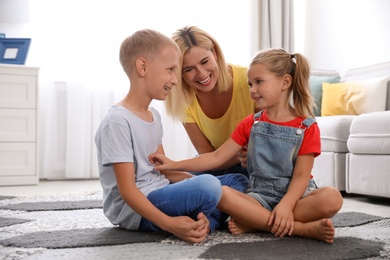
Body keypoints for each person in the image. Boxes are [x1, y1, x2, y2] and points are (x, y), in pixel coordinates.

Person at [149, 48, 343, 244]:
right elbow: (216, 158)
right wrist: (174, 164)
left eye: (259, 82)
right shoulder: (251, 123)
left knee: (332, 198)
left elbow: (302, 176)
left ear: (285, 82)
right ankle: (300, 228)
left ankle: (256, 220)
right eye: (250, 84)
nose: (252, 90)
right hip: (258, 196)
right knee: (220, 191)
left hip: (297, 196)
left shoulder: (307, 126)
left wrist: (286, 204)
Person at [94, 29, 248, 244]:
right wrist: (170, 224)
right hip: (136, 208)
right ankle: (195, 220)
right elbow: (128, 191)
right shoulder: (118, 121)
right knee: (210, 188)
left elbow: (162, 172)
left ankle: (201, 224)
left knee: (236, 181)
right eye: (171, 70)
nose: (176, 80)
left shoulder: (153, 116)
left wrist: (200, 182)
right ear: (142, 67)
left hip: (160, 191)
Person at [164, 26, 257, 177]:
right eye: (188, 69)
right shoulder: (183, 100)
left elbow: (267, 141)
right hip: (216, 165)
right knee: (174, 183)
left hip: (254, 165)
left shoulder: (251, 81)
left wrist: (253, 154)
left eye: (204, 61)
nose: (201, 74)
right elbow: (206, 154)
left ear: (214, 53)